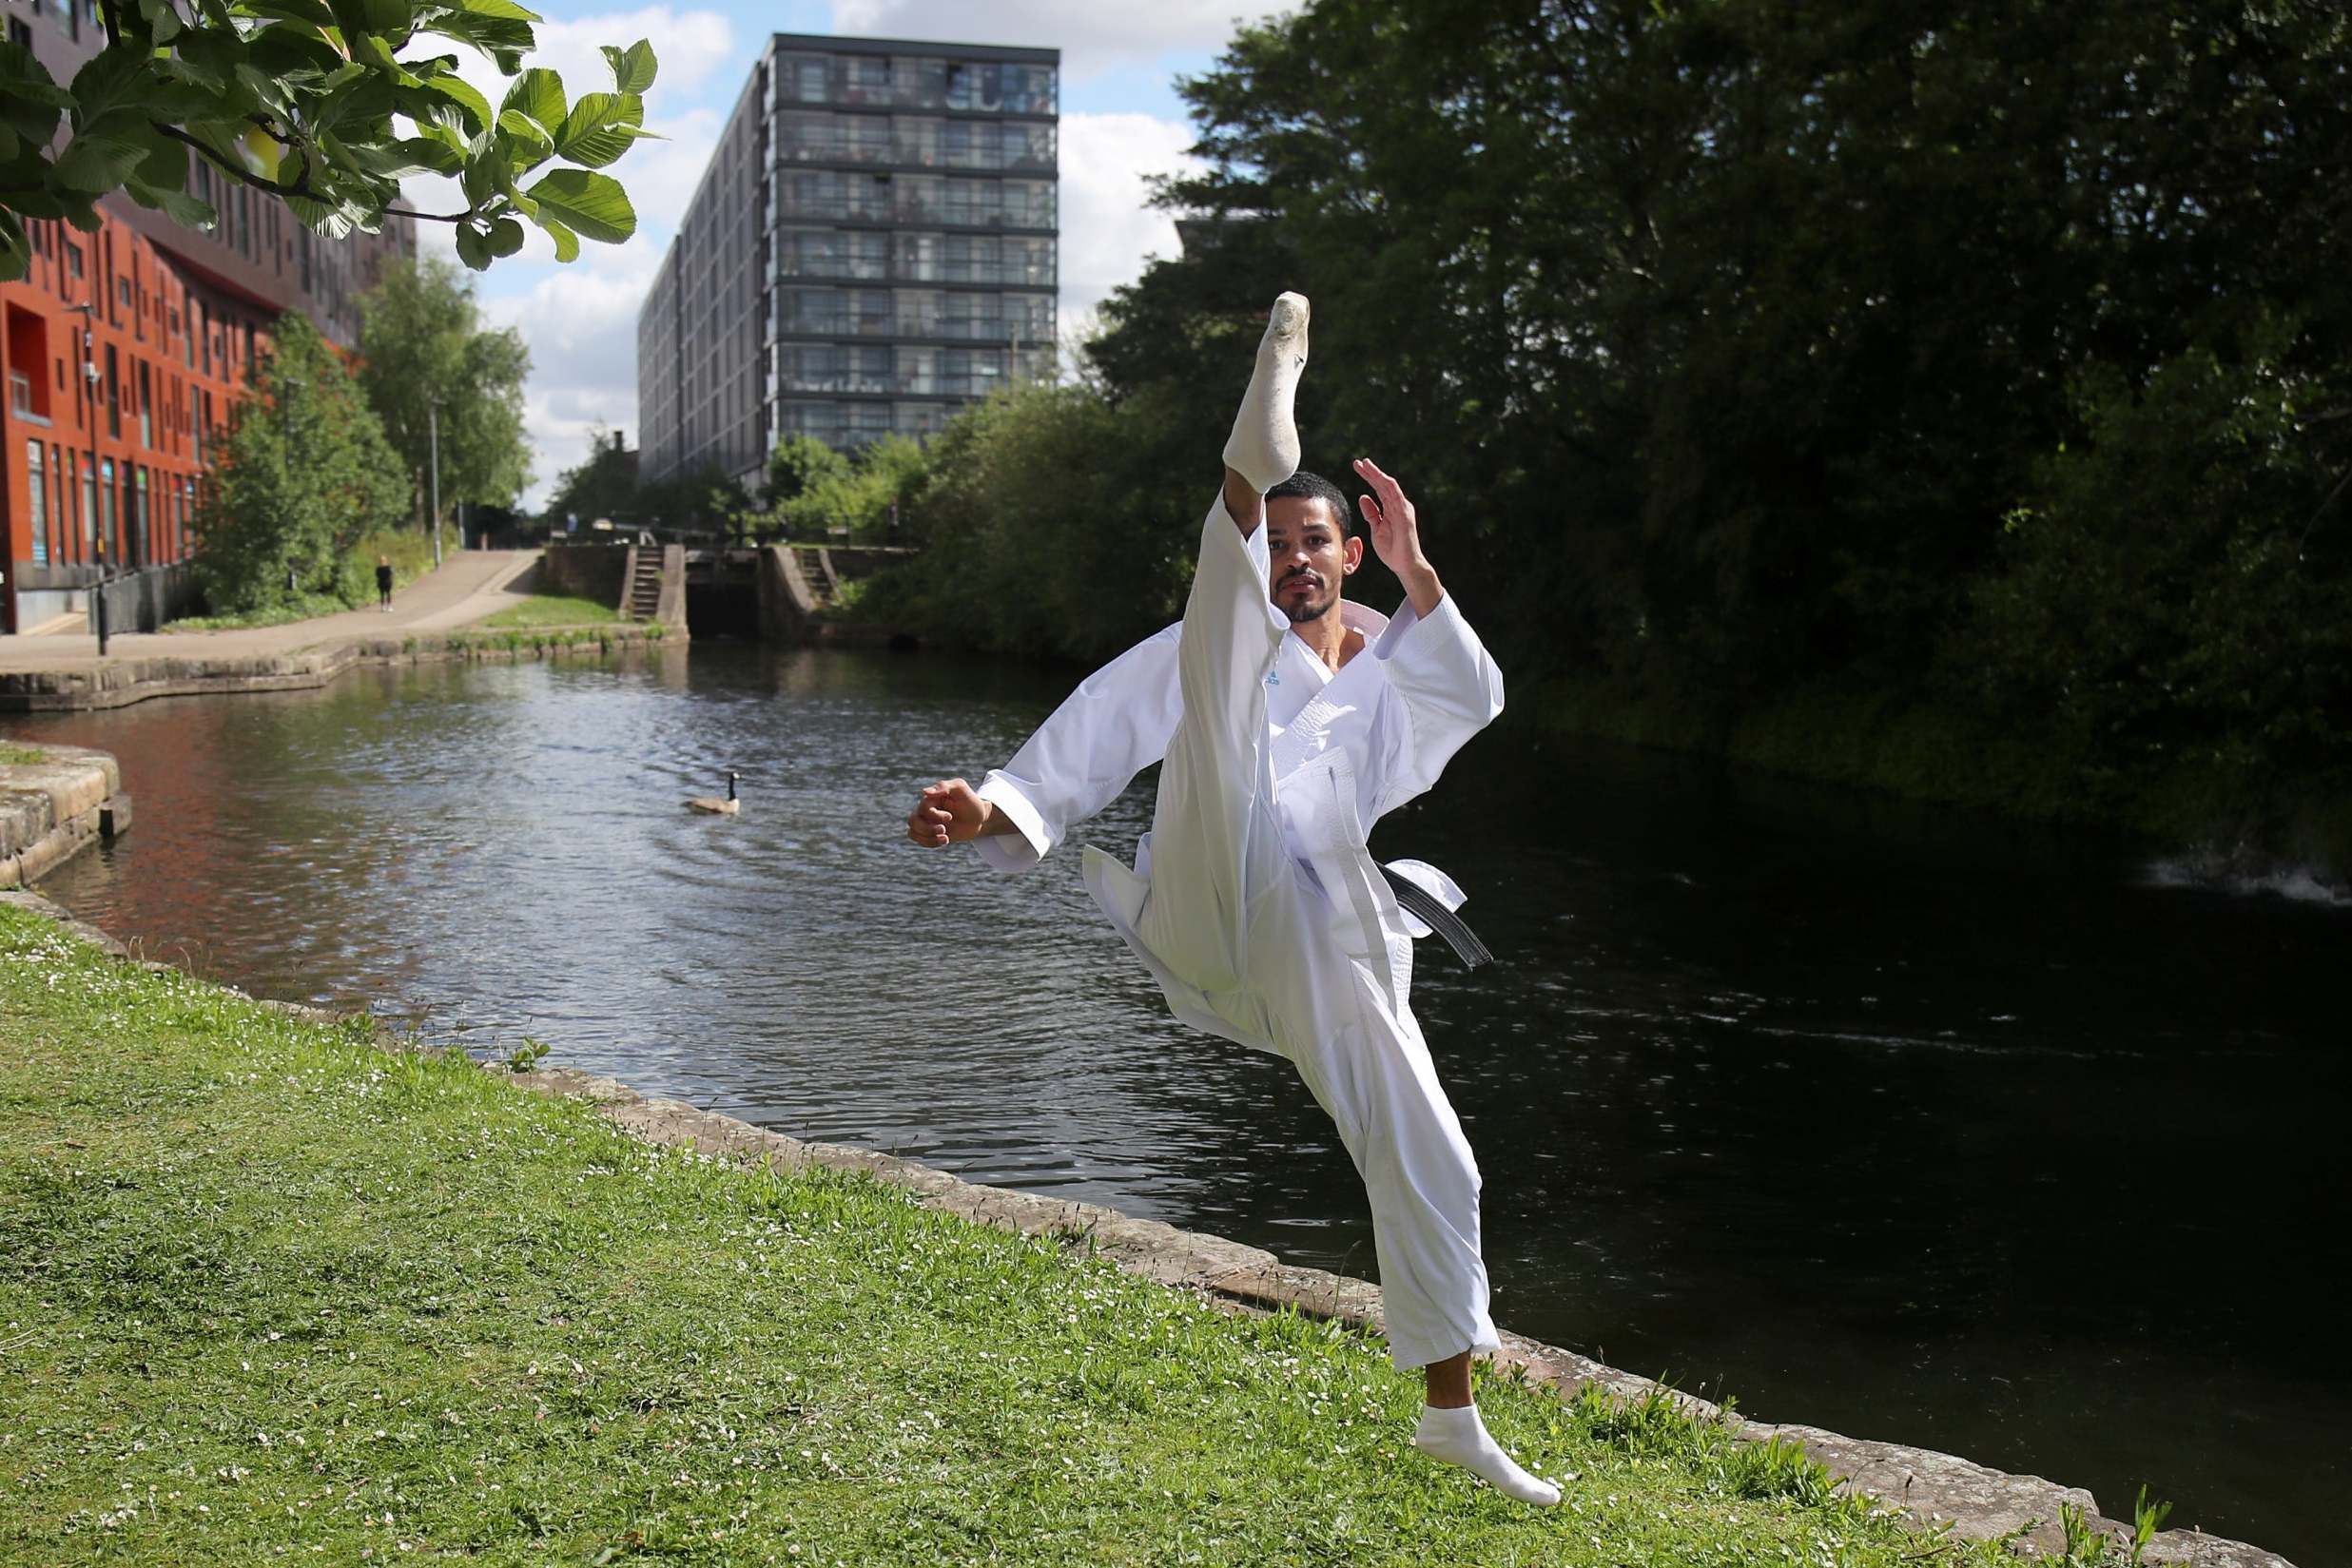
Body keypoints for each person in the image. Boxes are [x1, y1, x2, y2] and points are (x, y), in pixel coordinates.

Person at [904, 294, 1558, 1504]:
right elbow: (1108, 719)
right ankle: (1240, 470)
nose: (1299, 563)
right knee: (1215, 653)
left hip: (1324, 934)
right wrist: (999, 806)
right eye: (1281, 543)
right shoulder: (1229, 633)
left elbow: (1477, 697)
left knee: (1437, 1156)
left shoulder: (1389, 663)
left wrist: (1423, 578)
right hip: (1210, 883)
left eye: (1315, 544)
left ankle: (1452, 1414)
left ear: (1348, 554)